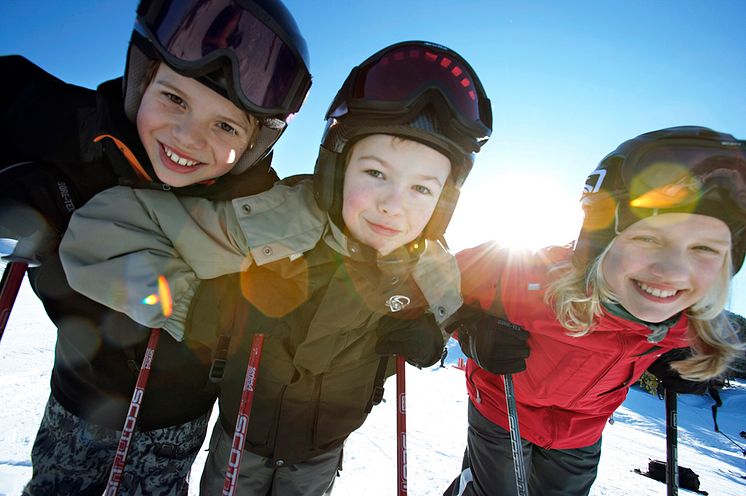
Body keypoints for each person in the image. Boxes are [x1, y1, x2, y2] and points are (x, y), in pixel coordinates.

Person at [59, 40, 493, 495]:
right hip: (243, 435)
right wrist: (202, 306)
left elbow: (451, 318)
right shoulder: (275, 224)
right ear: (339, 166)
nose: (392, 206)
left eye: (423, 189)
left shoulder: (430, 266)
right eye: (375, 174)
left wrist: (436, 336)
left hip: (323, 451)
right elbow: (101, 233)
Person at [0, 1, 311, 494]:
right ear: (141, 80)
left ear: (256, 142)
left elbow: (335, 225)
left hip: (172, 422)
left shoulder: (257, 213)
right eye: (174, 99)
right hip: (77, 401)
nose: (187, 138)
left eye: (225, 126)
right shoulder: (81, 141)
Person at [444, 126, 746, 496]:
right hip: (503, 410)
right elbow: (439, 285)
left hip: (581, 431)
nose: (672, 272)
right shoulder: (526, 274)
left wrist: (678, 359)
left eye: (704, 248)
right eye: (648, 238)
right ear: (600, 241)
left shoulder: (685, 320)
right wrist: (471, 328)